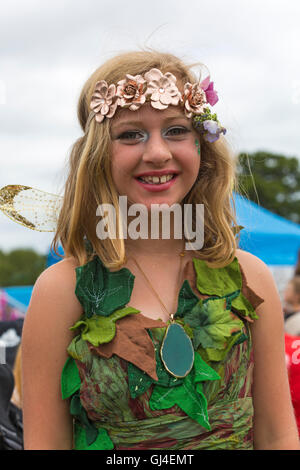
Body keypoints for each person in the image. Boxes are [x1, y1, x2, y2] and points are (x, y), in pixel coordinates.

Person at [16, 50, 300, 450]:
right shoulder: (62, 290)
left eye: (176, 131)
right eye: (131, 134)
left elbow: (278, 436)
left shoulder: (250, 277)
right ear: (99, 155)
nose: (157, 153)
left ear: (203, 146)